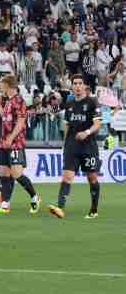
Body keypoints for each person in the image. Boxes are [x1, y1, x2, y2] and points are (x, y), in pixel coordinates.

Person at [48, 75, 102, 219]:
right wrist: (64, 143)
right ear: (72, 86)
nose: (77, 86)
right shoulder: (69, 104)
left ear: (85, 86)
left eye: (80, 83)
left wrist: (87, 132)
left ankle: (94, 209)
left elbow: (97, 123)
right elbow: (66, 125)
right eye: (75, 83)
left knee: (92, 178)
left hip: (88, 146)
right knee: (67, 177)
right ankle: (60, 208)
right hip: (72, 146)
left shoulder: (92, 102)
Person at [0, 74, 40, 215]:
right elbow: (4, 117)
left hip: (15, 143)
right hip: (3, 143)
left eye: (0, 83)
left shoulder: (19, 100)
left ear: (7, 84)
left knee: (17, 174)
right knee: (3, 173)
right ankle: (5, 204)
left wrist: (11, 138)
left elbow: (21, 122)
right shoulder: (8, 101)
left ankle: (34, 196)